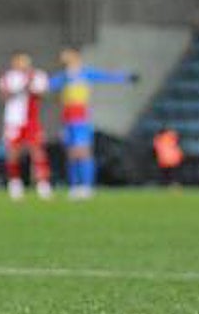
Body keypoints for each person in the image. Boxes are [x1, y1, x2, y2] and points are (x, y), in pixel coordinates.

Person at [49, 48, 137, 200]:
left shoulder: (84, 73)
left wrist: (126, 77)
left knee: (83, 151)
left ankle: (86, 186)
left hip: (80, 118)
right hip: (67, 118)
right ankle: (75, 186)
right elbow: (48, 85)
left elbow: (106, 77)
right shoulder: (64, 77)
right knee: (71, 154)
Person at [0, 53, 52, 201]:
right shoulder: (9, 77)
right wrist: (21, 87)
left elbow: (43, 94)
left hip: (31, 121)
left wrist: (31, 87)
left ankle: (43, 184)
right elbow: (4, 95)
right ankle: (15, 183)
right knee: (13, 152)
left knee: (37, 151)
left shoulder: (38, 75)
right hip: (13, 120)